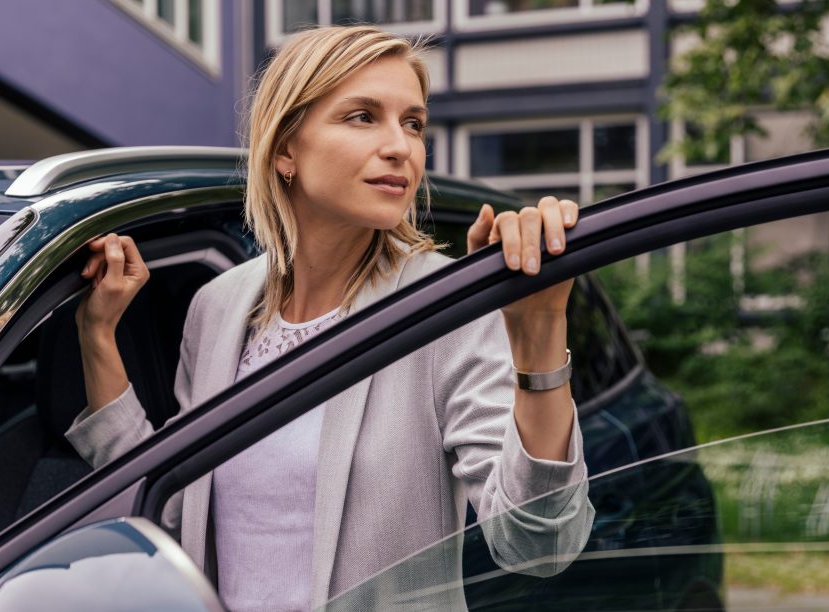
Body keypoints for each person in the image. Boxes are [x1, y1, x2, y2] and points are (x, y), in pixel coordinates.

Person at [65, 24, 595, 611]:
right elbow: (173, 516)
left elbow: (538, 545)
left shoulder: (445, 306)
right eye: (363, 116)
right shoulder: (217, 308)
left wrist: (538, 331)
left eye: (413, 123)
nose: (401, 146)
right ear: (286, 147)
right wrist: (98, 336)